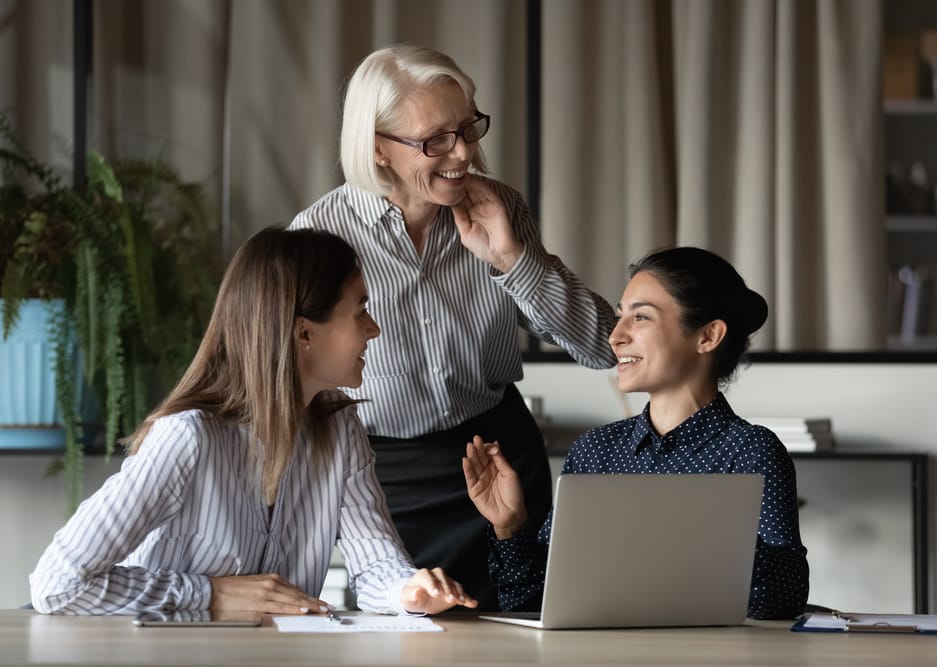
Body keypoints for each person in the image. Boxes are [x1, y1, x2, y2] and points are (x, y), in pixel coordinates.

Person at [289, 43, 617, 609]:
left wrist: (514, 260)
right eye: (435, 139)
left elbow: (603, 348)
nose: (463, 153)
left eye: (468, 128)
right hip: (385, 480)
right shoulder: (319, 236)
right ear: (378, 150)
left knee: (533, 634)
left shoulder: (499, 208)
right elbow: (280, 372)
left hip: (500, 461)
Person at [29, 226, 477, 616]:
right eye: (360, 310)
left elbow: (376, 565)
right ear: (304, 332)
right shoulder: (186, 438)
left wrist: (408, 591)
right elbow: (57, 583)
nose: (374, 329)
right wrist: (209, 595)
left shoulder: (341, 430)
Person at [463, 246, 810, 620]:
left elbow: (783, 597)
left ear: (708, 336)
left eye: (641, 317)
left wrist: (695, 532)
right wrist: (511, 526)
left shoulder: (751, 451)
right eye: (618, 317)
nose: (615, 336)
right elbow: (534, 604)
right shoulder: (596, 451)